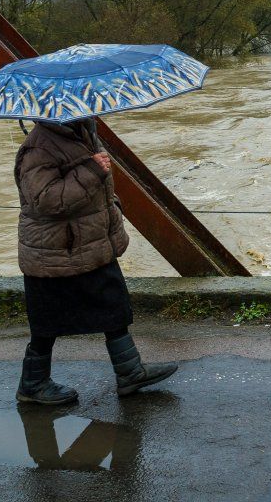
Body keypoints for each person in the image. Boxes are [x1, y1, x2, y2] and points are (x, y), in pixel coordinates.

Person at [13, 116, 177, 405]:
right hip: (54, 252)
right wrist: (90, 171)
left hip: (88, 242)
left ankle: (129, 372)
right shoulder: (38, 147)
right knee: (47, 322)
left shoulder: (82, 129)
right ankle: (33, 383)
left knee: (114, 304)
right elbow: (46, 200)